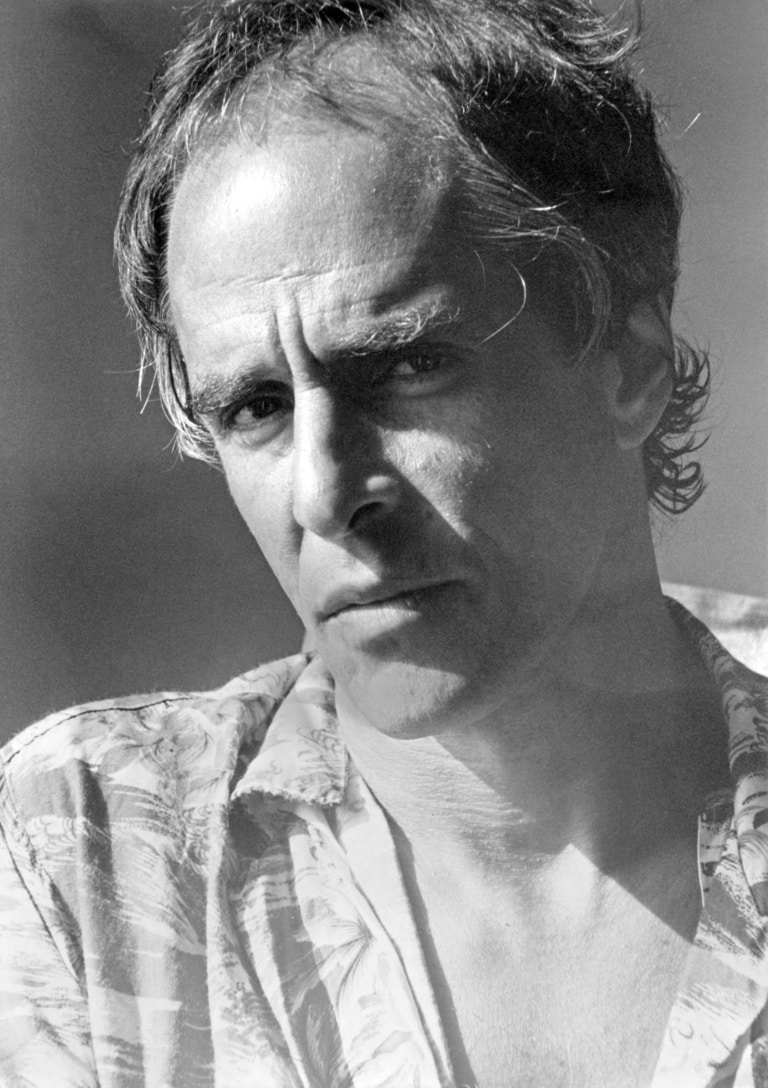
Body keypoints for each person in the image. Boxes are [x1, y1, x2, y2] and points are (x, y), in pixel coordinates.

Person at [2, 0, 768, 1084]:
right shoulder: (88, 860)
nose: (323, 493)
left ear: (629, 363)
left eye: (408, 366)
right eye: (256, 408)